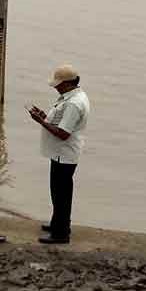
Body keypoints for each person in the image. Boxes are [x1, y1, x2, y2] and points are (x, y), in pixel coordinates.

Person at [27, 64, 90, 244]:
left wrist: (40, 121)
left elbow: (63, 133)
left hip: (65, 154)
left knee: (61, 195)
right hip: (62, 154)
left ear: (68, 84)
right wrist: (45, 117)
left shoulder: (73, 104)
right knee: (59, 193)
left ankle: (61, 233)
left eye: (58, 85)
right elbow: (62, 122)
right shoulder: (74, 96)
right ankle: (58, 224)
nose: (56, 88)